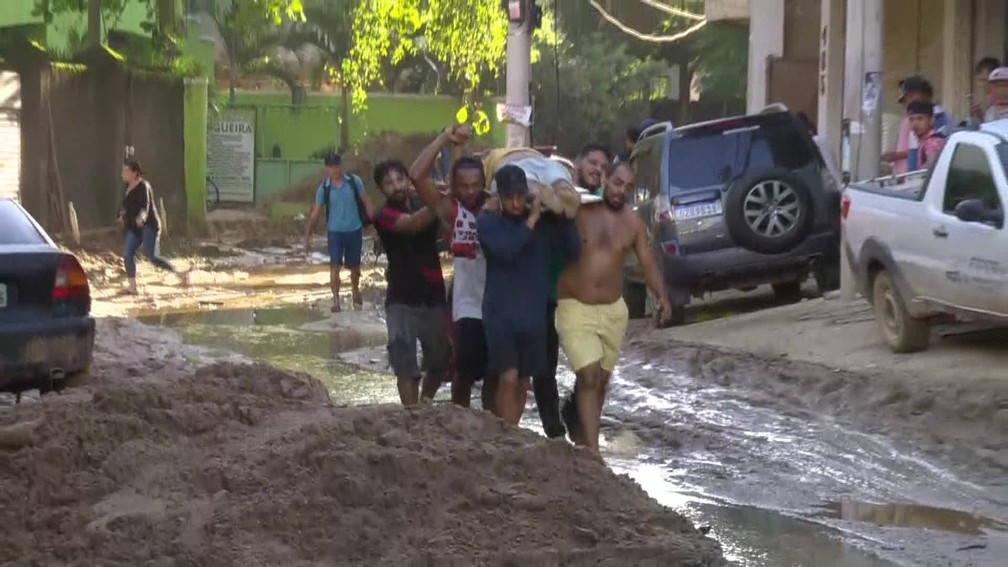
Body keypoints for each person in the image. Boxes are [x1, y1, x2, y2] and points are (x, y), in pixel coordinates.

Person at [557, 161, 672, 453]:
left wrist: (662, 296)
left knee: (601, 383)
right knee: (589, 376)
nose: (622, 191)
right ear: (605, 178)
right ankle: (593, 454)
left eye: (628, 187)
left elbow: (648, 264)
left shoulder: (633, 224)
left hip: (613, 311)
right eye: (618, 183)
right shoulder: (578, 211)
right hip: (575, 307)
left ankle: (580, 426)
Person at [477, 165, 581, 426]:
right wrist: (532, 219)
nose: (515, 202)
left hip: (533, 314)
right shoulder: (489, 222)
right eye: (508, 196)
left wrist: (562, 214)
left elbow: (573, 251)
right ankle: (506, 432)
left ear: (527, 193)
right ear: (497, 196)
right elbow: (507, 250)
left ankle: (511, 428)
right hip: (500, 314)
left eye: (519, 195)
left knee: (523, 381)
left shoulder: (546, 225)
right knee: (508, 377)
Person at [409, 124, 494, 410]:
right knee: (463, 372)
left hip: (499, 302)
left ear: (484, 182)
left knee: (495, 373)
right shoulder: (452, 212)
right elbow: (417, 175)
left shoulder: (499, 206)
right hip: (466, 304)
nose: (470, 191)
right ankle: (458, 419)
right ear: (454, 188)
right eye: (464, 186)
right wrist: (444, 138)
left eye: (475, 184)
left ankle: (494, 427)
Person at [371, 159, 449, 406]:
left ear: (407, 180)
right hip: (400, 300)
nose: (396, 186)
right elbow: (413, 224)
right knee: (404, 359)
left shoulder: (422, 203)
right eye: (389, 183)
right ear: (382, 190)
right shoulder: (383, 215)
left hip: (433, 295)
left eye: (399, 180)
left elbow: (443, 223)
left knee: (440, 360)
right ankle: (411, 414)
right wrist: (437, 201)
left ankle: (424, 403)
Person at [303, 153, 374, 313]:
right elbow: (315, 213)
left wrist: (375, 223)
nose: (336, 169)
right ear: (327, 168)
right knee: (334, 266)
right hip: (335, 232)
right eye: (332, 166)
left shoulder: (354, 182)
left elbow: (366, 200)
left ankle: (355, 289)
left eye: (337, 165)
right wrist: (308, 236)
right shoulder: (324, 189)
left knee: (354, 268)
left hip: (354, 230)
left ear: (341, 165)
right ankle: (336, 300)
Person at [119, 160, 185, 294]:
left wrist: (142, 217)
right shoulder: (127, 187)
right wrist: (120, 214)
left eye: (125, 171)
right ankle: (132, 287)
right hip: (135, 227)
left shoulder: (144, 186)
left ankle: (180, 274)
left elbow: (145, 205)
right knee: (127, 253)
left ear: (135, 173)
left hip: (149, 226)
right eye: (122, 171)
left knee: (153, 258)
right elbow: (125, 206)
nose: (123, 174)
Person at [882, 76, 949, 174]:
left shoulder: (938, 118)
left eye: (909, 97)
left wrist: (897, 156)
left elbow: (932, 152)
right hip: (905, 173)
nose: (907, 103)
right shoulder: (910, 118)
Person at [907, 102, 947, 170]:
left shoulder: (933, 141)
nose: (915, 124)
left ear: (931, 120)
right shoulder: (924, 140)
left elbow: (930, 166)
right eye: (912, 119)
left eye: (920, 119)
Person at [970, 57, 1001, 125]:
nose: (982, 85)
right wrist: (981, 116)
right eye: (979, 81)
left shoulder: (1002, 102)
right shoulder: (991, 104)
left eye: (984, 80)